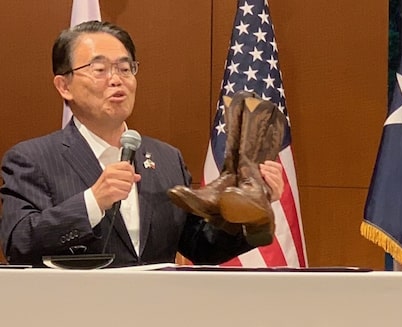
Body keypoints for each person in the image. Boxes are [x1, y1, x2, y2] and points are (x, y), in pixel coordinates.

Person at [0, 20, 284, 268]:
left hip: (156, 318)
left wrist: (255, 211)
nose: (116, 80)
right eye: (100, 70)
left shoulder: (166, 158)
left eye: (125, 68)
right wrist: (93, 202)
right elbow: (19, 243)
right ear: (64, 86)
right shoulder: (31, 159)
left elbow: (202, 247)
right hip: (76, 318)